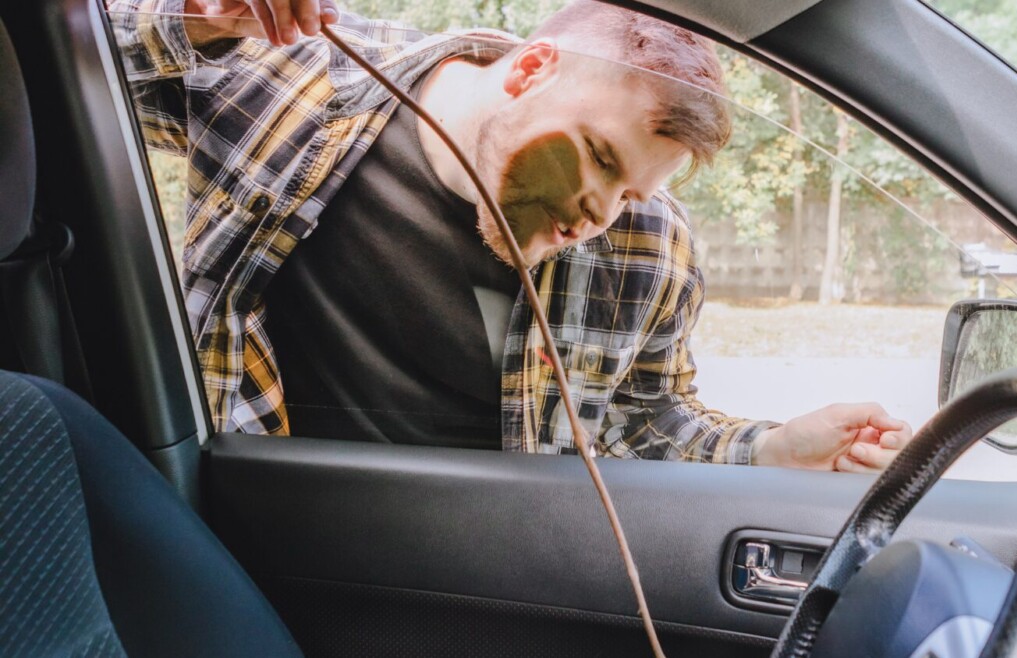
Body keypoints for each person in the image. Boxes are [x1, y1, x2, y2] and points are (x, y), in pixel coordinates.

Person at [111, 0, 913, 471]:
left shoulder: (651, 246)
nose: (601, 211)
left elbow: (648, 417)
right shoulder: (300, 75)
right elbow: (68, 59)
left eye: (630, 190)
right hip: (254, 525)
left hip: (484, 563)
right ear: (531, 70)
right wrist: (197, 12)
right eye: (599, 158)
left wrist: (772, 450)